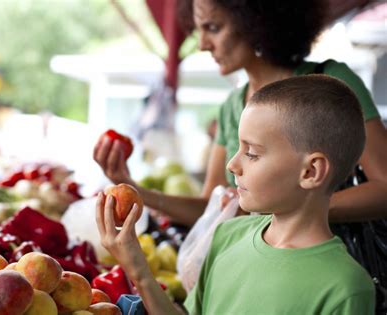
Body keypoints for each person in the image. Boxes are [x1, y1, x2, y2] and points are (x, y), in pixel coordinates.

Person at [96, 75, 375, 314]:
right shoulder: (227, 236)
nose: (232, 165)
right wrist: (138, 269)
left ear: (311, 172)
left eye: (251, 153)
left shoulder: (346, 288)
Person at [93, 0, 387, 226]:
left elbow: (384, 188)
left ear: (257, 21)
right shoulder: (232, 106)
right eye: (199, 31)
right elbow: (210, 206)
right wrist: (134, 190)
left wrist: (298, 206)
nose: (203, 44)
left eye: (213, 28)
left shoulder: (333, 83)